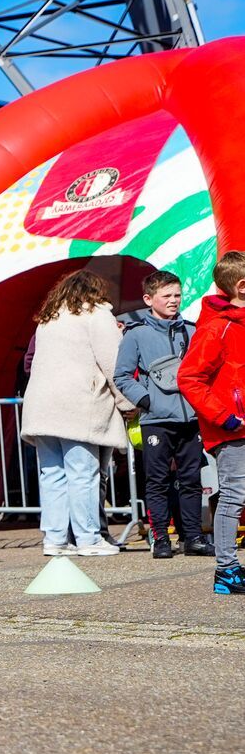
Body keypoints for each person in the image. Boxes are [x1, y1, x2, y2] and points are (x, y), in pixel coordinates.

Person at [20, 270, 135, 557]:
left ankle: (55, 539)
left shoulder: (48, 319)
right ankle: (88, 538)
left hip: (42, 408)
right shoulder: (97, 315)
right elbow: (113, 364)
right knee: (83, 474)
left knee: (52, 475)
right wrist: (127, 403)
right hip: (79, 405)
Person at [114, 270, 210, 558]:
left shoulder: (191, 331)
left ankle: (192, 537)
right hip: (156, 420)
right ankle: (161, 538)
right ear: (148, 299)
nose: (173, 300)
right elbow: (121, 375)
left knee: (191, 480)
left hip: (190, 418)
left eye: (177, 295)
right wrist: (146, 400)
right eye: (166, 295)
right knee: (157, 481)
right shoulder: (136, 334)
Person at [175, 251, 245, 594]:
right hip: (232, 429)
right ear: (242, 286)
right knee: (234, 496)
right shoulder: (217, 327)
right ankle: (226, 570)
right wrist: (225, 417)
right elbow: (189, 377)